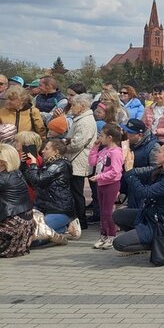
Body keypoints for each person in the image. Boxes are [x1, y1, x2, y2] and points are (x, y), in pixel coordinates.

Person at [112, 142, 164, 256]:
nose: (156, 154)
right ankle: (141, 236)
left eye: (160, 152)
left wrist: (130, 174)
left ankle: (158, 243)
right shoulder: (160, 170)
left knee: (118, 243)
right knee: (118, 215)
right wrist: (128, 166)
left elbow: (144, 193)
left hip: (163, 224)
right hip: (150, 215)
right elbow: (137, 173)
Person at [24, 139, 76, 243]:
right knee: (26, 231)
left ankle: (62, 229)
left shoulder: (59, 165)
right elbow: (32, 182)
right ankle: (62, 230)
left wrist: (33, 164)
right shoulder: (48, 164)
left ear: (56, 152)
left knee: (34, 239)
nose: (42, 151)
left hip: (59, 210)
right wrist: (23, 164)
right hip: (43, 208)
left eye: (46, 149)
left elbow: (38, 180)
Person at [86, 124, 125, 249]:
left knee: (108, 212)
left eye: (102, 136)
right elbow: (92, 162)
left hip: (111, 184)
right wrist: (95, 147)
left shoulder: (116, 152)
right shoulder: (104, 151)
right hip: (101, 184)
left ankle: (111, 235)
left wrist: (99, 176)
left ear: (110, 137)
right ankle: (103, 235)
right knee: (102, 211)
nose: (100, 138)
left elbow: (115, 171)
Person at [65, 94, 97, 230]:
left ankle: (80, 220)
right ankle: (78, 220)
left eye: (74, 105)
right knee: (75, 191)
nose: (71, 107)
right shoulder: (81, 119)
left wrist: (63, 146)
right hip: (76, 159)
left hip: (78, 160)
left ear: (82, 106)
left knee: (76, 192)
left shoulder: (85, 121)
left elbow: (77, 143)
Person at [0, 143, 34, 258]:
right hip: (23, 230)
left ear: (2, 162)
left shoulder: (3, 178)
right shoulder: (17, 173)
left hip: (9, 233)